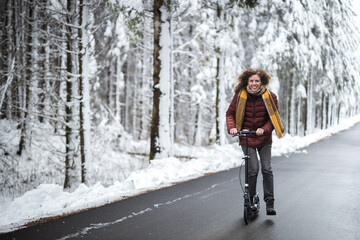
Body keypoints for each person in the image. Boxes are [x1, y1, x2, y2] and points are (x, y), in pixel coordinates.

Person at [226, 68, 284, 215]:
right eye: (251, 81)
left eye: (257, 81)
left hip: (264, 139)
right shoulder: (240, 96)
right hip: (247, 137)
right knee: (252, 170)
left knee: (266, 169)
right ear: (247, 81)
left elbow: (273, 120)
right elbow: (230, 114)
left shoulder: (270, 97)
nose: (254, 83)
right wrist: (232, 127)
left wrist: (264, 129)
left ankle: (269, 202)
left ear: (262, 82)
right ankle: (250, 200)